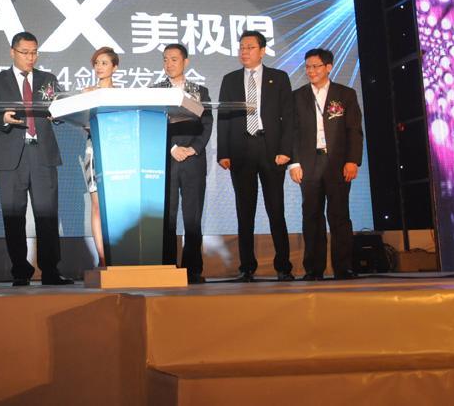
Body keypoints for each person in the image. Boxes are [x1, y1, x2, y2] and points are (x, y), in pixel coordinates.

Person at [0, 32, 72, 286]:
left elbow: (60, 108)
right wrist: (2, 119)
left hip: (42, 154)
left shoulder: (47, 79)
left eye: (34, 52)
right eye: (25, 52)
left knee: (47, 214)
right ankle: (20, 270)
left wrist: (59, 114)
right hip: (11, 156)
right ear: (12, 52)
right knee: (13, 215)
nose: (30, 57)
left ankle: (51, 270)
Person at [216, 30, 295, 282]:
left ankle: (283, 266)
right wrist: (223, 152)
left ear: (262, 51)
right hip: (241, 150)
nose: (244, 51)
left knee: (276, 210)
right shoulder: (230, 80)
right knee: (244, 211)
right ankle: (247, 267)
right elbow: (223, 118)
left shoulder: (278, 78)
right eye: (241, 47)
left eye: (250, 47)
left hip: (271, 150)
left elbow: (288, 117)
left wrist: (286, 150)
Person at [288, 48, 364, 281]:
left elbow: (354, 130)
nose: (310, 71)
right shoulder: (297, 96)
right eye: (307, 67)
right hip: (309, 162)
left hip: (337, 162)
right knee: (311, 215)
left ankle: (344, 267)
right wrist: (294, 163)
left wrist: (352, 160)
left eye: (316, 66)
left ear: (328, 67)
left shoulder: (345, 94)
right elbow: (292, 132)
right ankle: (313, 269)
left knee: (339, 215)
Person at [152, 44, 212, 284]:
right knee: (167, 216)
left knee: (192, 216)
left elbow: (207, 124)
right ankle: (167, 266)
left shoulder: (200, 91)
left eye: (174, 59)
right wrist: (172, 148)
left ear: (185, 62)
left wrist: (193, 148)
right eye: (165, 59)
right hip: (166, 158)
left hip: (193, 159)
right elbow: (153, 123)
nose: (169, 64)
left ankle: (192, 269)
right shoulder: (155, 91)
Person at [79, 46, 120, 268]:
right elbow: (81, 123)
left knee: (116, 204)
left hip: (118, 150)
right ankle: (102, 258)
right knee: (96, 205)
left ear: (115, 67)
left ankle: (121, 254)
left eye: (104, 63)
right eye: (96, 63)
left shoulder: (123, 95)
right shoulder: (87, 93)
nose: (99, 67)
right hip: (94, 148)